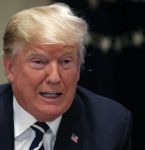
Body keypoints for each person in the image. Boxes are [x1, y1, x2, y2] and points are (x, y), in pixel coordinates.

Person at [0, 2, 132, 150]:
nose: (55, 77)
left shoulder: (110, 126)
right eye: (39, 62)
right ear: (10, 68)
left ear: (78, 67)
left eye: (66, 61)